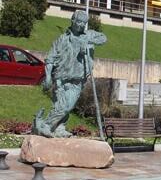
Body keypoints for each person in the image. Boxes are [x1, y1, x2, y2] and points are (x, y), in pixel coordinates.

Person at [33, 10, 107, 138]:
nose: (80, 25)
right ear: (72, 21)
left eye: (83, 23)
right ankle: (45, 126)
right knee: (62, 106)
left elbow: (104, 38)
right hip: (61, 79)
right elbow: (50, 59)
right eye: (78, 22)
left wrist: (88, 42)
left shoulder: (88, 35)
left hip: (78, 80)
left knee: (69, 106)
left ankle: (59, 128)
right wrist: (49, 76)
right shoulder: (62, 39)